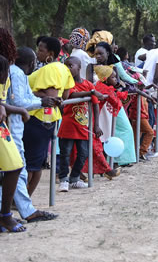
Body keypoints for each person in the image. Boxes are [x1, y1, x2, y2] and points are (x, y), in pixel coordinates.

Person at [4, 47, 59, 223]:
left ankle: (15, 211)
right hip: (12, 126)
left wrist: (43, 102)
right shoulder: (16, 73)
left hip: (15, 126)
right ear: (32, 62)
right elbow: (18, 101)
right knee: (16, 167)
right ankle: (25, 211)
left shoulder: (15, 72)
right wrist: (41, 102)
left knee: (15, 168)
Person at [23, 36, 75, 197]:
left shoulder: (50, 69)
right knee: (35, 161)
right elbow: (65, 95)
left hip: (37, 118)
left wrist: (27, 92)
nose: (38, 53)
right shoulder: (63, 68)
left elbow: (51, 97)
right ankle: (21, 199)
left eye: (41, 50)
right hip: (49, 119)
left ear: (50, 53)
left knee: (31, 162)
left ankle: (22, 199)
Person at [57, 57, 105, 192]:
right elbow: (72, 96)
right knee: (65, 153)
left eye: (71, 65)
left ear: (79, 68)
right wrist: (91, 92)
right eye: (66, 66)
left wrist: (96, 125)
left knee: (83, 153)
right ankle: (63, 179)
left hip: (83, 126)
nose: (68, 68)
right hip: (68, 125)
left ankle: (74, 178)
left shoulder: (88, 84)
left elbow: (95, 103)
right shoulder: (67, 84)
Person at [0, 55, 27, 233]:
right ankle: (5, 216)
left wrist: (19, 110)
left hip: (2, 129)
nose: (8, 74)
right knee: (13, 167)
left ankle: (4, 215)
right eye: (5, 71)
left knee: (15, 166)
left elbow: (2, 104)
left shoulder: (4, 83)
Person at [93, 66, 137, 166]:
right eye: (113, 77)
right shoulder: (104, 88)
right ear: (105, 79)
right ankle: (114, 161)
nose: (116, 80)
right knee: (106, 137)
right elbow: (115, 100)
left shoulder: (105, 86)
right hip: (104, 114)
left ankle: (115, 160)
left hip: (106, 113)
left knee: (107, 136)